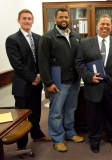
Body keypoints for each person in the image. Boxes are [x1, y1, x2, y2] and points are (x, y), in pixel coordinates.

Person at [75, 14, 112, 153]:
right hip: (93, 87)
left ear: (111, 27)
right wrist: (89, 76)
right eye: (102, 24)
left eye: (108, 24)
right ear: (97, 26)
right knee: (93, 117)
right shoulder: (85, 43)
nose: (105, 26)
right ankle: (94, 140)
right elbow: (78, 63)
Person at [5, 9, 52, 158]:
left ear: (33, 21)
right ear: (18, 20)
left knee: (36, 112)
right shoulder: (12, 39)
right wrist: (33, 77)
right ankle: (21, 146)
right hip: (23, 86)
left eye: (29, 19)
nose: (27, 21)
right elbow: (17, 64)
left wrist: (40, 76)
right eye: (24, 18)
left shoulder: (38, 38)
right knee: (21, 116)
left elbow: (43, 60)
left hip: (36, 84)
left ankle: (37, 134)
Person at [38, 8, 84, 152]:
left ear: (69, 19)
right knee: (56, 112)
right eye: (61, 17)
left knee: (71, 110)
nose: (64, 19)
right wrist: (48, 83)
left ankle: (70, 133)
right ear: (55, 19)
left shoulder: (76, 36)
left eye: (66, 17)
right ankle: (57, 138)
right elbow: (43, 62)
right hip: (58, 82)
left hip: (74, 81)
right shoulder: (47, 37)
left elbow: (79, 59)